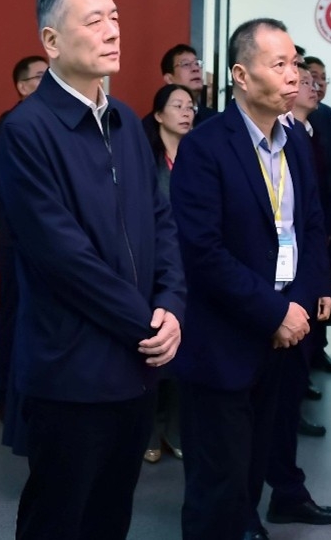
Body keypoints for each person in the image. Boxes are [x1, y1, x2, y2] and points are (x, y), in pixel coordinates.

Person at [0, 0, 185, 540]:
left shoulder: (126, 121)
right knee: (58, 520)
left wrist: (172, 305)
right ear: (51, 41)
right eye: (94, 20)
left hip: (136, 367)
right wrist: (146, 322)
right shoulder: (26, 131)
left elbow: (161, 222)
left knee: (111, 518)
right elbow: (65, 260)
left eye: (115, 18)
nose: (112, 32)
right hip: (72, 372)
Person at [170, 18, 331, 540]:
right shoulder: (205, 146)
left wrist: (299, 304)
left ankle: (248, 522)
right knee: (217, 479)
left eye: (295, 64)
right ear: (241, 75)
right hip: (225, 338)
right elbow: (202, 251)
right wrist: (274, 311)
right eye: (278, 64)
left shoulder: (296, 141)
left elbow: (311, 226)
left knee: (256, 464)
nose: (294, 75)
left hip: (285, 334)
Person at [0, 55, 48, 420]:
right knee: (14, 316)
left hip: (52, 246)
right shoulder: (5, 128)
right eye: (41, 76)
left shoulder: (55, 126)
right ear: (22, 87)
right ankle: (5, 396)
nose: (50, 81)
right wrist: (11, 226)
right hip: (17, 241)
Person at [140, 83, 195, 463]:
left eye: (190, 106)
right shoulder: (146, 159)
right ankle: (147, 431)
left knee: (185, 353)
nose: (187, 112)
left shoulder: (198, 155)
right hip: (155, 265)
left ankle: (175, 430)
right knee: (153, 348)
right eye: (177, 105)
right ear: (159, 115)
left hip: (192, 265)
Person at [302, 54, 331, 377]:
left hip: (330, 216)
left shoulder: (326, 116)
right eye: (310, 78)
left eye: (321, 78)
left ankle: (318, 349)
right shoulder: (291, 122)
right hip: (305, 223)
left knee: (325, 286)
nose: (317, 84)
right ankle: (303, 358)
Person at [161, 43, 218, 125]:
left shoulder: (215, 121)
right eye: (186, 64)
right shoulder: (153, 124)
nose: (196, 69)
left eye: (197, 63)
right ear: (169, 79)